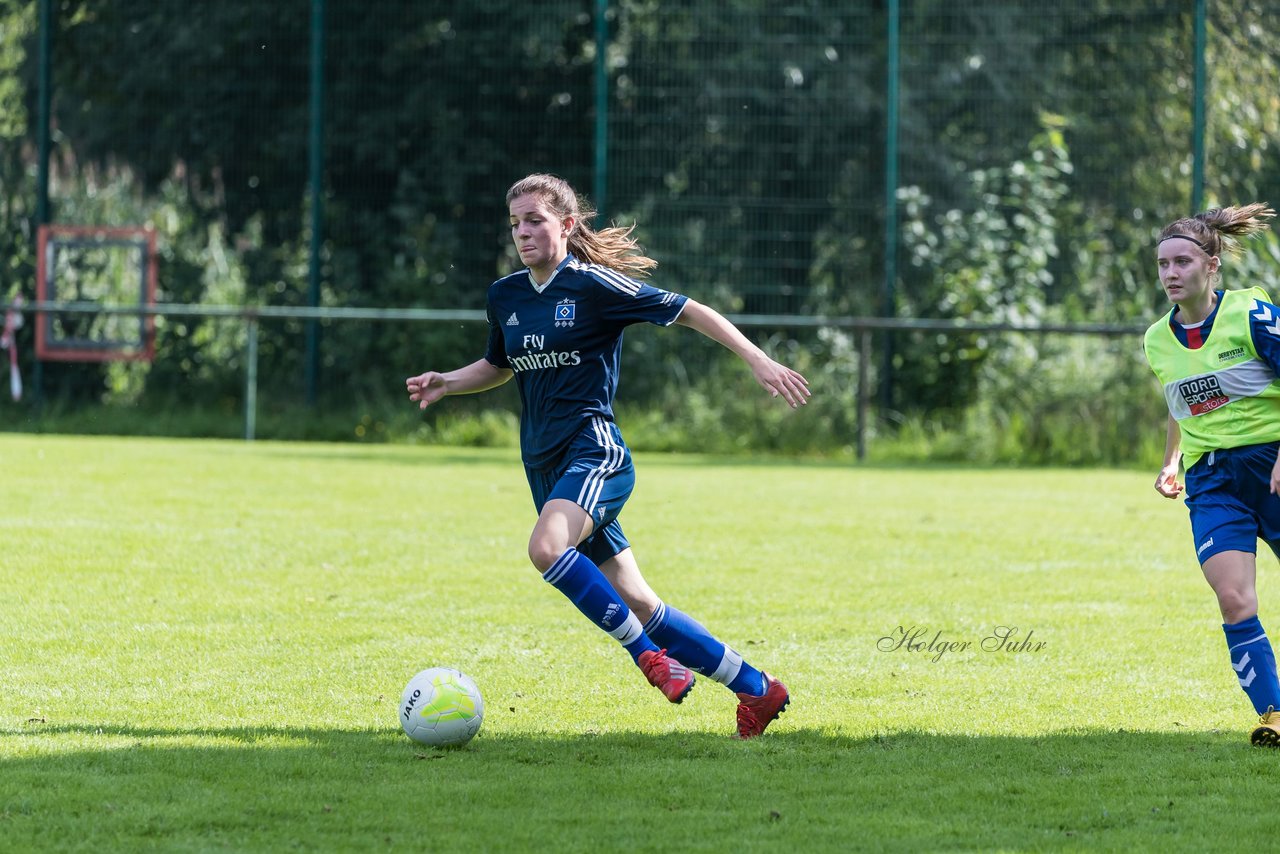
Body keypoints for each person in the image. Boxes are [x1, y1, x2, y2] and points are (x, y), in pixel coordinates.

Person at [406, 173, 810, 738]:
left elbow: (688, 309)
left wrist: (756, 358)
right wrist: (448, 382)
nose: (522, 232)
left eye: (535, 221)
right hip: (544, 466)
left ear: (567, 225)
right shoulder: (506, 296)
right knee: (641, 604)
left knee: (547, 548)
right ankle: (757, 689)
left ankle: (647, 659)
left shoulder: (595, 285)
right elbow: (500, 364)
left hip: (595, 453)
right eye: (515, 223)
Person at [1144, 202, 1280, 746]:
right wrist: (1171, 460)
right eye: (1162, 265)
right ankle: (1274, 712)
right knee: (1234, 600)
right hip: (1213, 481)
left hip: (1270, 466)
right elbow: (1182, 403)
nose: (1171, 274)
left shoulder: (1251, 314)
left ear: (1212, 265)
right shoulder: (1158, 338)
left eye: (1182, 262)